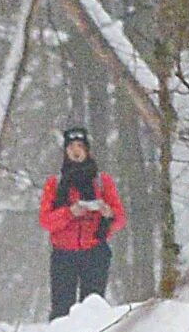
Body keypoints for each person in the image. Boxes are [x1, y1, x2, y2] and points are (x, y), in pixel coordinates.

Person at [38, 126, 126, 320]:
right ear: (65, 151)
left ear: (87, 150)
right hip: (64, 254)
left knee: (93, 308)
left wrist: (107, 213)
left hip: (95, 252)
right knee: (62, 310)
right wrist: (69, 213)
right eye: (71, 147)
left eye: (80, 146)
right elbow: (45, 221)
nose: (76, 151)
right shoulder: (55, 183)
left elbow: (120, 218)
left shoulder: (102, 182)